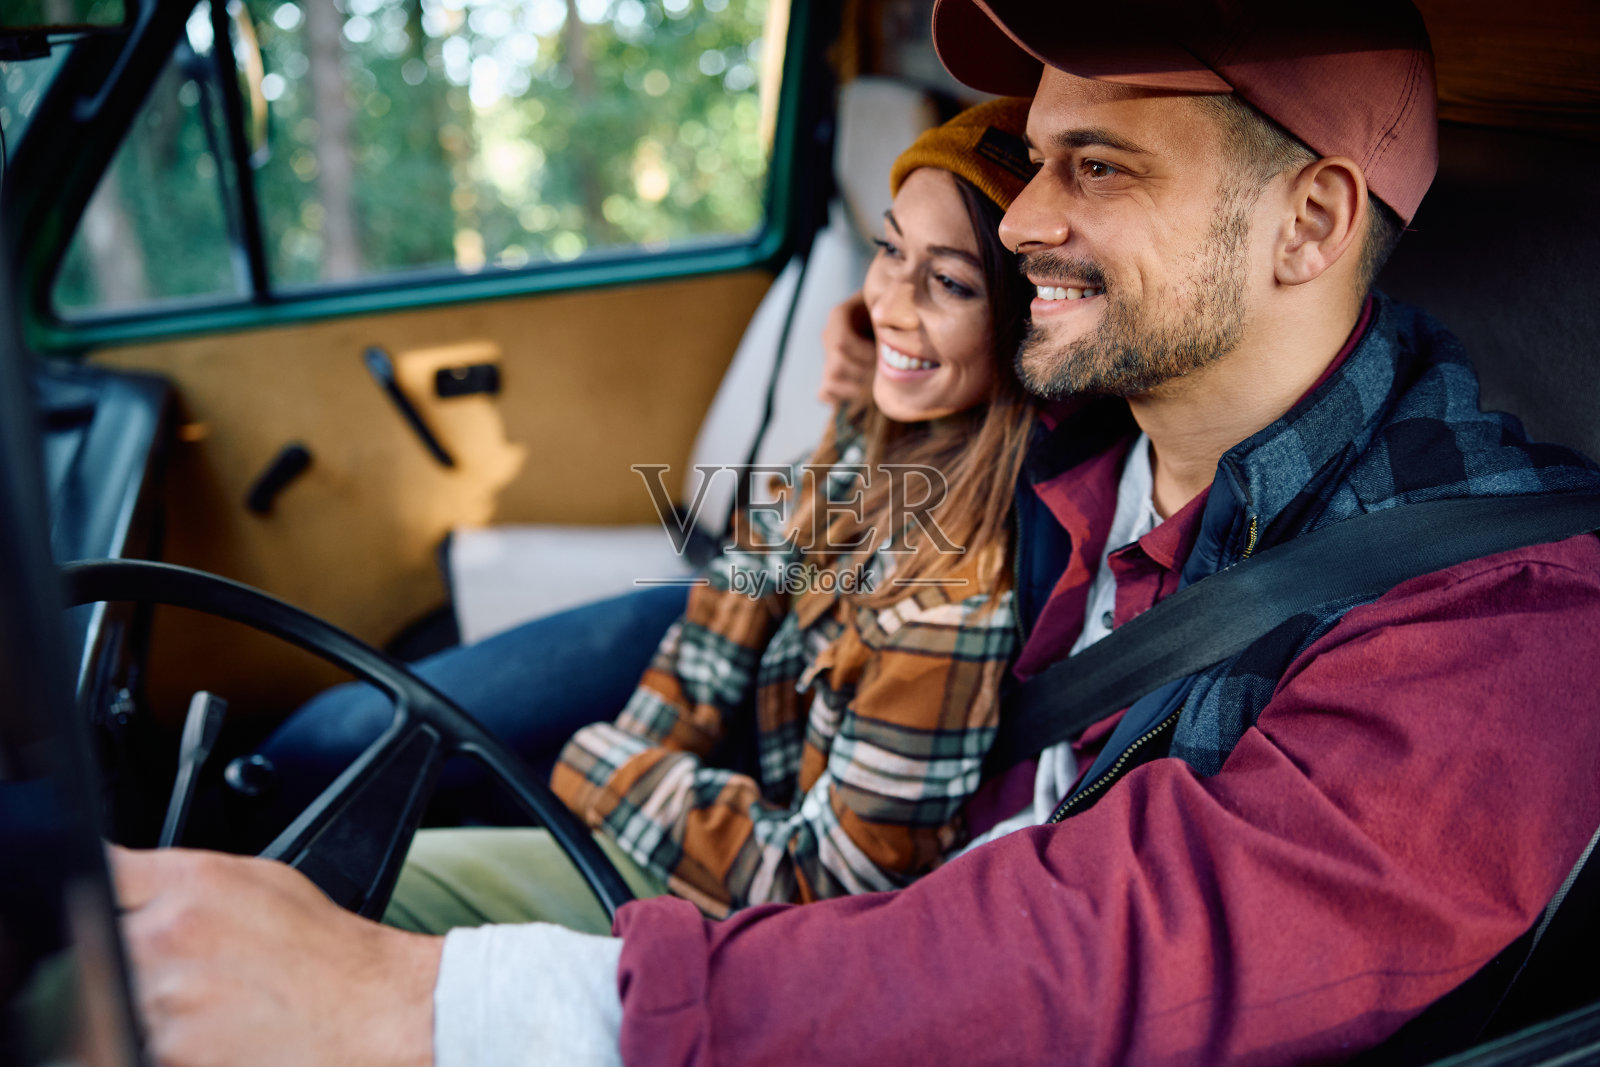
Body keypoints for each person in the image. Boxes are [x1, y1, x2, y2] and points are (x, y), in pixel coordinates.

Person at [109, 3, 1600, 1066]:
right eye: (1038, 158)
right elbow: (820, 517)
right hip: (787, 901)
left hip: (871, 980)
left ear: (1310, 224)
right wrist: (874, 382)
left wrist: (425, 1008)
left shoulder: (1503, 622)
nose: (1022, 221)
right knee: (225, 905)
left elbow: (1105, 953)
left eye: (1099, 166)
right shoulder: (1081, 420)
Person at [383, 98, 1041, 931]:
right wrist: (642, 745)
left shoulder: (950, 599)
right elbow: (745, 576)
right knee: (374, 775)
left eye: (949, 282)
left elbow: (830, 887)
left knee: (377, 872)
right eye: (888, 250)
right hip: (725, 793)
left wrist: (604, 770)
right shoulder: (885, 419)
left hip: (757, 912)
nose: (890, 303)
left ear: (1024, 321)